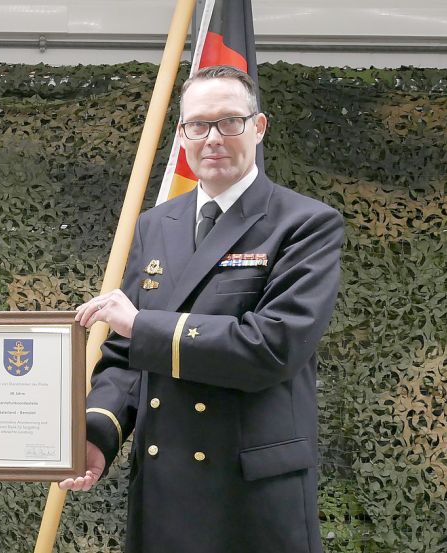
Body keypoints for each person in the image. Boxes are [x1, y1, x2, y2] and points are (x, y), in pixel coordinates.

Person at [59, 65, 344, 553]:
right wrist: (99, 431)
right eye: (198, 125)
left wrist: (144, 324)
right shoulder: (156, 224)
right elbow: (127, 355)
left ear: (258, 127)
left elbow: (271, 346)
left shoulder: (306, 224)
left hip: (251, 493)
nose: (213, 138)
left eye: (229, 122)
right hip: (164, 485)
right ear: (182, 135)